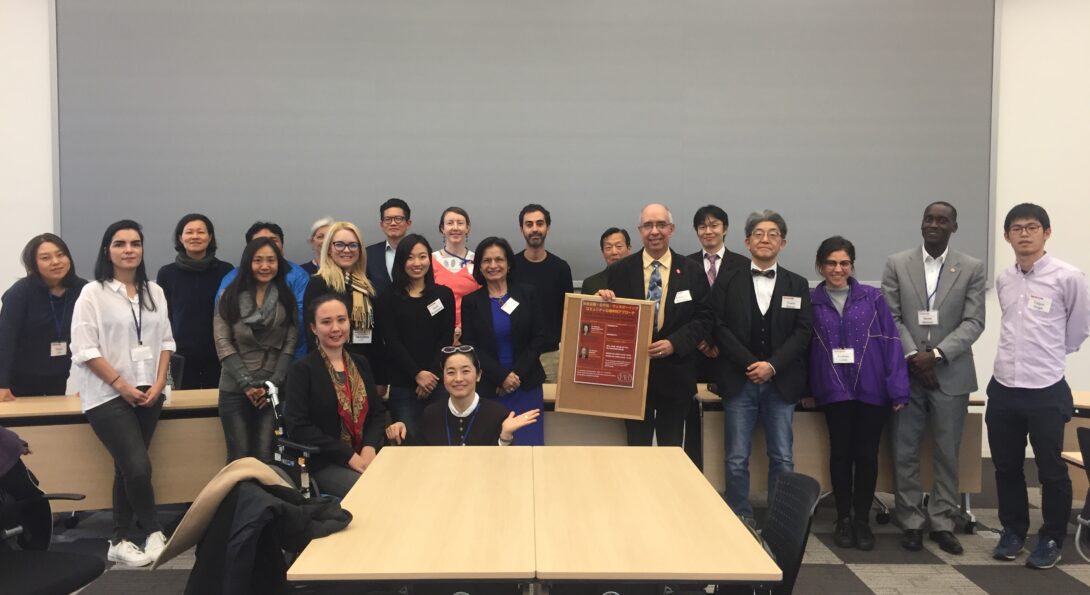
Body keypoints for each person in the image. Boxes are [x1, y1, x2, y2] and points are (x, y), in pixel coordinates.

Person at [987, 203, 1090, 569]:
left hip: (1045, 386)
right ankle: (1013, 530)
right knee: (1006, 466)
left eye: (1032, 227)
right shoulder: (1005, 278)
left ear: (1046, 233)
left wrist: (1048, 355)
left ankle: (1050, 537)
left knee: (1050, 470)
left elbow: (1077, 330)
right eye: (1017, 228)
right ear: (1007, 236)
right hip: (1003, 387)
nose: (1024, 234)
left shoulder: (1068, 277)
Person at [881, 201, 986, 555]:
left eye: (942, 220)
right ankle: (909, 520)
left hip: (950, 373)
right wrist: (914, 356)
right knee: (905, 450)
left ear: (954, 226)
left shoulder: (971, 267)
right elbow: (891, 316)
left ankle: (942, 520)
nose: (934, 224)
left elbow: (974, 321)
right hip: (908, 374)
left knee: (947, 452)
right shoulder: (897, 263)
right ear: (921, 223)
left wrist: (937, 355)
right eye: (929, 219)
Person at [69, 220, 175, 567]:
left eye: (135, 243)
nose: (128, 249)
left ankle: (119, 539)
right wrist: (122, 385)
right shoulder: (92, 293)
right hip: (107, 394)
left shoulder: (154, 291)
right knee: (138, 466)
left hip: (149, 393)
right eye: (120, 243)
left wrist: (159, 384)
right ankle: (154, 531)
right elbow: (84, 349)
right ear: (107, 251)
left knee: (127, 467)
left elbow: (165, 342)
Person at [805, 236, 909, 551]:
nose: (838, 269)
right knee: (840, 454)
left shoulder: (873, 298)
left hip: (871, 388)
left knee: (866, 455)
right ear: (821, 266)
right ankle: (843, 520)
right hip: (833, 388)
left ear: (852, 265)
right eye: (832, 263)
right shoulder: (810, 301)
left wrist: (898, 389)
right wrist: (807, 389)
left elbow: (891, 342)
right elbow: (804, 350)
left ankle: (862, 519)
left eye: (844, 263)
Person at [708, 210, 812, 525]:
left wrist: (772, 366)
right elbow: (719, 327)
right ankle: (740, 515)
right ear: (746, 241)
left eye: (772, 234)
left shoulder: (798, 283)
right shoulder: (728, 280)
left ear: (783, 242)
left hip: (781, 384)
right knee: (736, 458)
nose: (765, 239)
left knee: (782, 457)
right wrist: (751, 363)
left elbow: (803, 331)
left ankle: (782, 519)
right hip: (739, 382)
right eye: (758, 233)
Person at [596, 204, 711, 449]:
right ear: (639, 231)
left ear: (671, 229)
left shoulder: (692, 271)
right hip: (632, 377)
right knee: (636, 447)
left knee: (671, 448)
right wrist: (601, 303)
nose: (654, 231)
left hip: (676, 374)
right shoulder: (619, 271)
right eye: (648, 225)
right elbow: (610, 321)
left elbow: (704, 318)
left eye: (660, 225)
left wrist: (674, 343)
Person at [283, 295, 389, 499]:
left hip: (366, 454)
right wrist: (347, 455)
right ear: (314, 328)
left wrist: (369, 447)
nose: (335, 328)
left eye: (341, 320)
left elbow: (377, 414)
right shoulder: (302, 370)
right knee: (372, 492)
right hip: (326, 462)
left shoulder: (361, 363)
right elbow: (298, 427)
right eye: (326, 322)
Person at [213, 238, 299, 462]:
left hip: (273, 388)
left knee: (266, 455)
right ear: (247, 263)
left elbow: (290, 343)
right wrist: (246, 384)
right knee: (239, 455)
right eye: (258, 260)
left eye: (271, 260)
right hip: (235, 388)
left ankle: (266, 498)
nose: (265, 266)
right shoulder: (228, 296)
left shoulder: (286, 298)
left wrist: (273, 384)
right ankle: (239, 498)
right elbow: (223, 342)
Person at [460, 237, 549, 445]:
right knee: (492, 451)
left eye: (499, 259)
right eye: (486, 261)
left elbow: (539, 338)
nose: (493, 266)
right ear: (479, 266)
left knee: (529, 449)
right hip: (491, 389)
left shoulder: (528, 293)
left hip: (526, 385)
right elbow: (471, 347)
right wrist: (501, 378)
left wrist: (515, 376)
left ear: (509, 264)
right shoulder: (471, 302)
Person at [686, 205, 751, 466]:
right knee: (693, 423)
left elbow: (745, 312)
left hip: (731, 355)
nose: (708, 231)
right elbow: (685, 310)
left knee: (730, 424)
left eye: (714, 225)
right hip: (694, 353)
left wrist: (722, 344)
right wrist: (702, 341)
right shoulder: (685, 264)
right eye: (702, 226)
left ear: (725, 228)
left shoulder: (744, 264)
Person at [374, 234, 455, 438]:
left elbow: (445, 339)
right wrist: (417, 374)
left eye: (422, 257)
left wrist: (430, 376)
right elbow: (392, 342)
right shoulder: (387, 297)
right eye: (410, 257)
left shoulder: (443, 295)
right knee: (409, 444)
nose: (417, 263)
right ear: (401, 261)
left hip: (437, 383)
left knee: (442, 441)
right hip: (403, 385)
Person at [385, 346, 540, 446]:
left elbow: (502, 467)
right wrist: (401, 432)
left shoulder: (497, 414)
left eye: (466, 371)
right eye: (451, 372)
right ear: (443, 377)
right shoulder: (431, 414)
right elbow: (420, 456)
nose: (458, 379)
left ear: (478, 375)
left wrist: (505, 436)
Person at [0, 234, 87, 401]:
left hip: (59, 373)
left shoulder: (83, 289)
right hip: (19, 378)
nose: (55, 262)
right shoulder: (20, 293)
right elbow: (5, 340)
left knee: (54, 422)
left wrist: (89, 384)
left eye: (61, 254)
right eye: (46, 258)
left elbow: (92, 339)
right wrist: (2, 384)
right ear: (34, 264)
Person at [302, 221, 385, 391]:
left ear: (360, 250)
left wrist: (380, 377)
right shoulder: (319, 283)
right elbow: (312, 335)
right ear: (329, 248)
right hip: (330, 372)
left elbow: (375, 336)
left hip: (364, 369)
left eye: (353, 245)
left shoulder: (366, 286)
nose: (347, 250)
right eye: (339, 244)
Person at [155, 214, 234, 389]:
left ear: (210, 237)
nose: (195, 236)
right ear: (180, 238)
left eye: (201, 232)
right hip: (180, 354)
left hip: (218, 353)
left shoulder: (225, 270)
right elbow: (163, 317)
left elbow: (231, 314)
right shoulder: (167, 273)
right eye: (189, 232)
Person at [218, 222, 309, 359]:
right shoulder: (231, 279)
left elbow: (301, 318)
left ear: (282, 245)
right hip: (242, 359)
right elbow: (224, 320)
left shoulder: (298, 275)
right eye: (258, 241)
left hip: (290, 356)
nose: (266, 245)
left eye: (273, 240)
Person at [510, 204, 573, 383]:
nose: (535, 229)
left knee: (552, 408)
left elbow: (568, 312)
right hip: (518, 355)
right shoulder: (510, 267)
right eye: (529, 224)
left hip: (551, 354)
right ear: (521, 229)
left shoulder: (561, 268)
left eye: (540, 223)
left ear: (548, 228)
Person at [431, 207, 481, 343]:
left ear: (467, 228)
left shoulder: (478, 261)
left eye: (460, 223)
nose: (455, 227)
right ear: (442, 228)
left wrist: (462, 329)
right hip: (436, 332)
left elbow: (482, 300)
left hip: (472, 331)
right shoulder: (429, 261)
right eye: (450, 223)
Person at [365, 198, 412, 296]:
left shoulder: (421, 253)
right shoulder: (368, 254)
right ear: (381, 224)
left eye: (398, 218)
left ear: (408, 223)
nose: (393, 223)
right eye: (388, 219)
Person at [581, 227, 631, 296]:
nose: (614, 252)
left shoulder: (641, 280)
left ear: (629, 249)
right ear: (602, 252)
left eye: (619, 246)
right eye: (608, 247)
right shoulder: (590, 284)